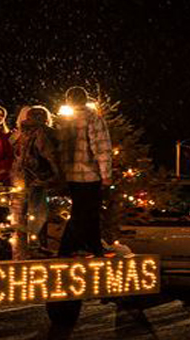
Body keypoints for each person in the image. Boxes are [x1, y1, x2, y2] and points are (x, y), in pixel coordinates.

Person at [56, 88, 113, 257]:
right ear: (85, 99)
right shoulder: (93, 118)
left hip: (70, 174)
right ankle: (70, 248)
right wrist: (106, 174)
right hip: (89, 174)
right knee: (88, 212)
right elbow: (102, 147)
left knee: (81, 210)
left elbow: (59, 148)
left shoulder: (64, 120)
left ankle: (90, 246)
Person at [10, 106, 62, 259]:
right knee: (38, 213)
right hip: (35, 177)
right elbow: (49, 154)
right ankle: (33, 246)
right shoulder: (41, 133)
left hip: (19, 178)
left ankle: (20, 248)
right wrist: (57, 174)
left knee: (20, 214)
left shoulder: (21, 133)